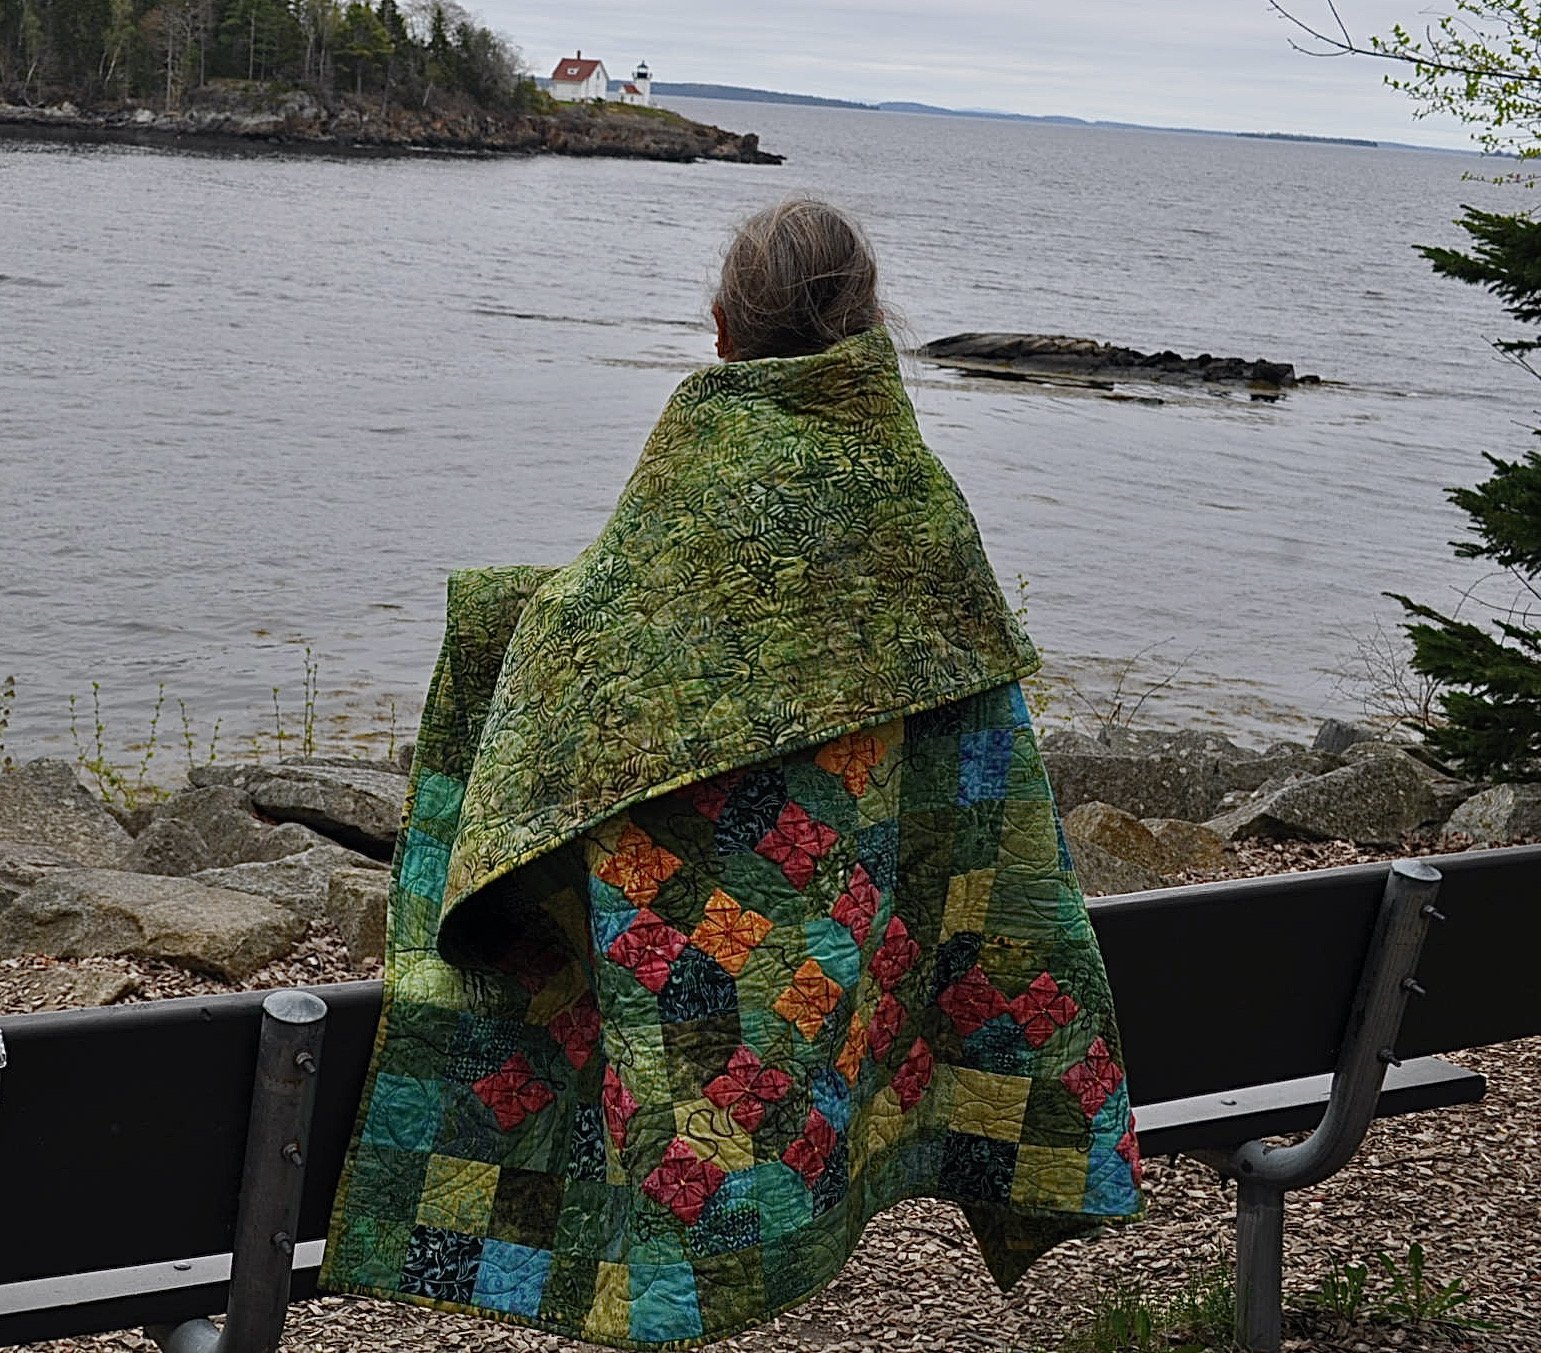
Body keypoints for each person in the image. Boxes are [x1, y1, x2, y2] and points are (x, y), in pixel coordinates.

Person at [322, 197, 1142, 1348]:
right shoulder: (916, 503)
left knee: (593, 952)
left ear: (720, 329)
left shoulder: (701, 466)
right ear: (865, 323)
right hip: (855, 969)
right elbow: (958, 750)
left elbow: (594, 657)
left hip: (695, 987)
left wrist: (498, 627)